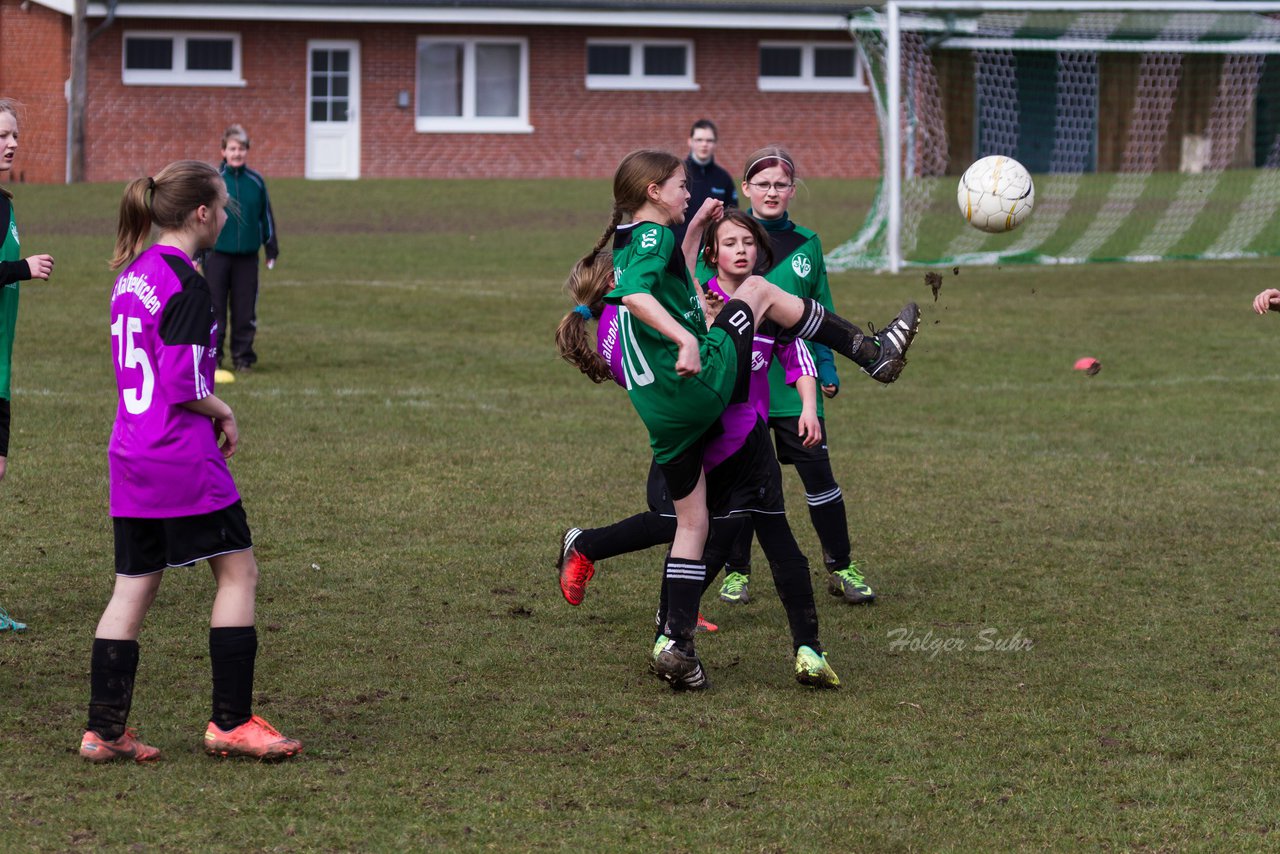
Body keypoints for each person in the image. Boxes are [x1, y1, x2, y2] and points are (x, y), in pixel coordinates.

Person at [570, 148, 918, 689]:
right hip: (701, 385)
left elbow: (662, 279)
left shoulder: (632, 240)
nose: (691, 192)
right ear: (654, 193)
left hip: (667, 421)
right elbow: (637, 292)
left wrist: (694, 235)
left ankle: (676, 646)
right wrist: (688, 338)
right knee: (757, 291)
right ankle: (872, 353)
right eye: (682, 186)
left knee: (691, 524)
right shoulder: (649, 237)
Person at [555, 212, 837, 689]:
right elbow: (678, 339)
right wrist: (701, 329)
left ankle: (684, 630)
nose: (743, 250)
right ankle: (603, 561)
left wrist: (807, 400)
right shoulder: (664, 312)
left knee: (736, 530)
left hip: (731, 435)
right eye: (731, 242)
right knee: (686, 523)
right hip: (700, 436)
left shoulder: (703, 302)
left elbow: (792, 347)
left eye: (749, 242)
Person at [80, 160, 301, 763]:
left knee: (133, 585)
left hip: (130, 455)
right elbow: (181, 381)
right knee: (238, 573)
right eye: (224, 206)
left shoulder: (133, 275)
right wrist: (224, 407)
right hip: (180, 459)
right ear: (201, 214)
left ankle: (103, 731)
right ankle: (230, 722)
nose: (228, 214)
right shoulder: (186, 282)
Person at [708, 145, 873, 609]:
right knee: (737, 487)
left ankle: (842, 568)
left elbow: (821, 312)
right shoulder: (724, 240)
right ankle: (736, 572)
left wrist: (827, 368)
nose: (772, 192)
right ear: (747, 189)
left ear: (793, 190)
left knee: (819, 477)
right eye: (763, 184)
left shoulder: (808, 245)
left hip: (796, 384)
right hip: (740, 393)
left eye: (781, 184)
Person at [0, 98, 54, 634]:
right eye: (1, 135)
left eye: (13, 134)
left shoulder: (6, 203)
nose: (11, 143)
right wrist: (21, 267)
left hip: (0, 368)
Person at [205, 124, 278, 376]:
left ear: (247, 151)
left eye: (242, 149)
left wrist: (270, 247)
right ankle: (213, 358)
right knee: (214, 309)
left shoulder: (256, 182)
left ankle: (243, 358)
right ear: (223, 151)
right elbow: (201, 218)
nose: (237, 153)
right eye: (232, 148)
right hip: (216, 255)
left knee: (244, 310)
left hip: (247, 258)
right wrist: (196, 254)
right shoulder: (213, 181)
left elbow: (265, 216)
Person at [672, 119, 738, 247]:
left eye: (709, 140)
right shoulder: (676, 173)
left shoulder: (724, 178)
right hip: (678, 248)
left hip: (712, 250)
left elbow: (732, 216)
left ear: (715, 144)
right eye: (699, 140)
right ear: (690, 142)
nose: (704, 144)